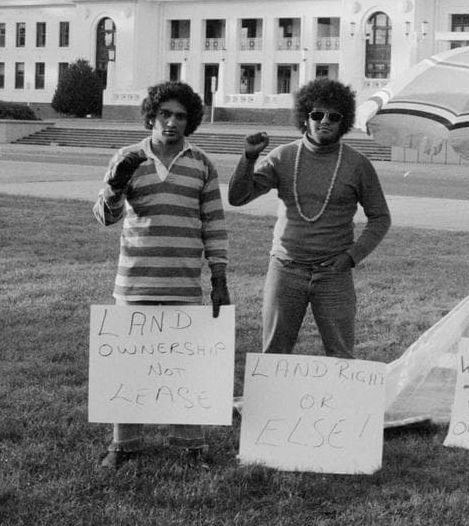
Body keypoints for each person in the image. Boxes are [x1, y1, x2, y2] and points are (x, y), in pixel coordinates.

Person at [92, 81, 231, 470]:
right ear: (151, 117)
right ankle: (123, 445)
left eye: (180, 116)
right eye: (164, 114)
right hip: (135, 282)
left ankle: (191, 445)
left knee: (184, 368)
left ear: (191, 121)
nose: (172, 122)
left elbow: (213, 223)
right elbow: (105, 217)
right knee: (129, 367)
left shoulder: (202, 163)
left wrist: (219, 278)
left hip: (184, 284)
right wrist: (115, 186)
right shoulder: (127, 157)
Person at [228, 78, 390, 359]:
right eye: (317, 114)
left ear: (343, 122)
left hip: (334, 274)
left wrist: (351, 257)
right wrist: (249, 158)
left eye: (333, 116)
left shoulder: (358, 164)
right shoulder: (283, 156)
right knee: (274, 355)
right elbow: (238, 197)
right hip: (286, 269)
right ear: (305, 117)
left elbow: (380, 217)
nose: (324, 121)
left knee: (341, 356)